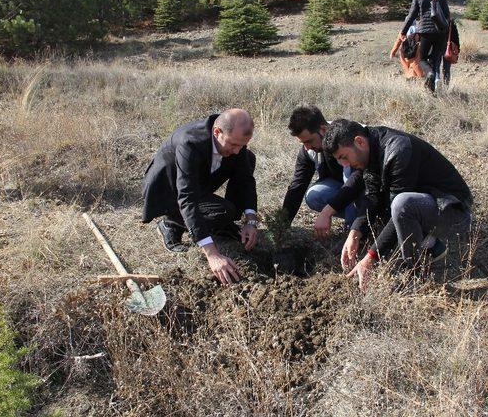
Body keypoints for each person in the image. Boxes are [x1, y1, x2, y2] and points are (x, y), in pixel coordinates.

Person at [323, 119, 473, 292]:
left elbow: (398, 212)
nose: (344, 165)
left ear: (359, 142)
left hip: (453, 212)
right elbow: (373, 198)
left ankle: (413, 273)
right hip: (427, 205)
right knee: (393, 208)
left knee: (402, 205)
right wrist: (355, 233)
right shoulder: (371, 146)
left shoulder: (398, 150)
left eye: (344, 157)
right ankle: (427, 244)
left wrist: (370, 258)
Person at [142, 108, 258, 285]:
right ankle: (171, 222)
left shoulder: (234, 141)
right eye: (233, 145)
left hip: (198, 181)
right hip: (169, 191)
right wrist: (212, 254)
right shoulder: (190, 143)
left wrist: (251, 221)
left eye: (241, 145)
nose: (236, 151)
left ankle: (222, 225)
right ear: (217, 132)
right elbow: (187, 197)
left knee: (247, 159)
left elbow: (246, 180)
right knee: (223, 211)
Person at [282, 105, 364, 239]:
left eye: (309, 141)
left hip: (367, 189)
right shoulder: (309, 150)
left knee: (351, 181)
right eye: (303, 143)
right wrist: (282, 225)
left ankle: (355, 233)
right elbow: (298, 185)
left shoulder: (350, 138)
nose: (307, 147)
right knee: (315, 195)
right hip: (342, 187)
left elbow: (357, 182)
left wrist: (328, 211)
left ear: (324, 129)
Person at [400, 0, 450, 92]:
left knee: (422, 59)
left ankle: (431, 75)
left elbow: (411, 15)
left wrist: (403, 31)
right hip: (441, 33)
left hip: (425, 33)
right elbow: (447, 16)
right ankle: (433, 84)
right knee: (435, 59)